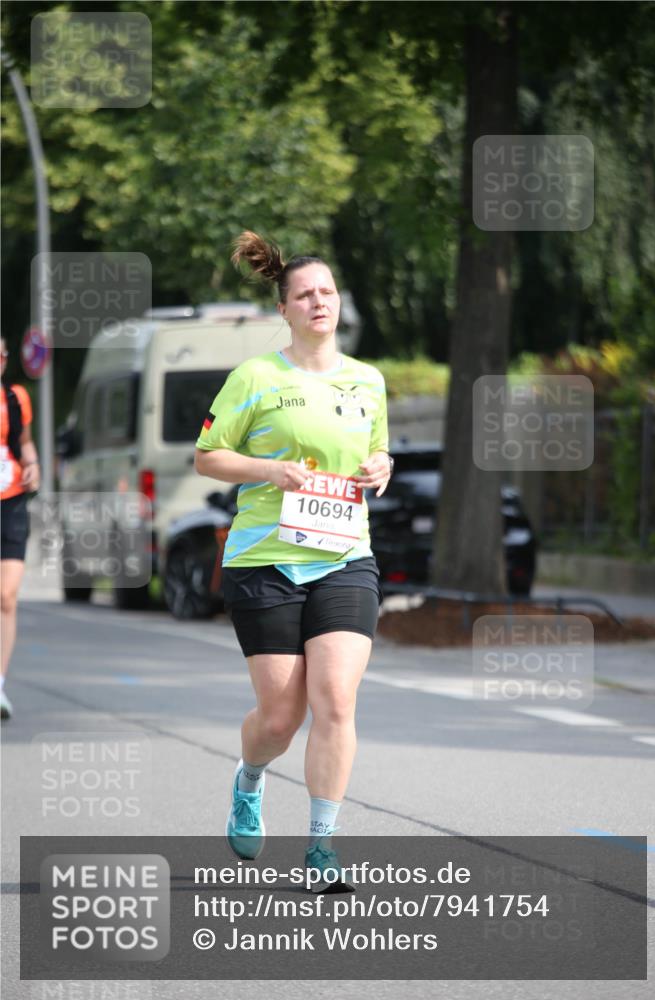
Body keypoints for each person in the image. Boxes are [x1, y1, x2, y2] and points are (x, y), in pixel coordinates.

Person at [194, 232, 392, 891]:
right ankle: (249, 778)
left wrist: (380, 466)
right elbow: (207, 458)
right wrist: (268, 470)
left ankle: (320, 848)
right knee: (280, 718)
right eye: (305, 294)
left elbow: (376, 452)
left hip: (344, 556)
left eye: (327, 292)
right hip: (266, 560)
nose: (318, 302)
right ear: (283, 308)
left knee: (335, 699)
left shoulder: (367, 380)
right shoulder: (255, 377)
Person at [1, 337, 40, 720]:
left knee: (7, 596)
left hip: (11, 501)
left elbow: (25, 443)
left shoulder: (15, 397)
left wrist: (34, 465)